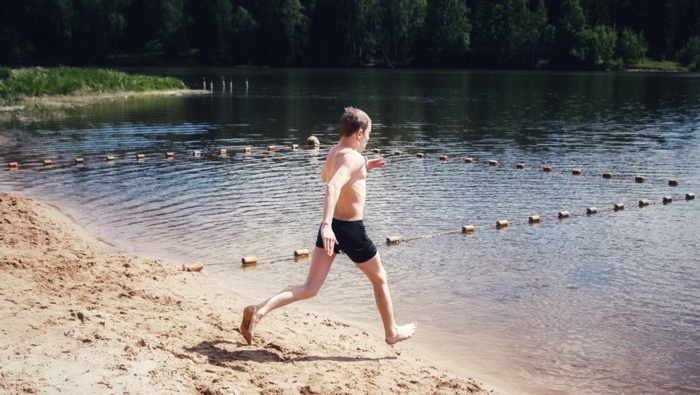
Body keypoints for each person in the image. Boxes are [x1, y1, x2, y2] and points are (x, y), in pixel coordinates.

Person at [240, 107, 417, 346]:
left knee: (309, 287)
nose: (368, 140)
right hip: (349, 230)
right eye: (368, 135)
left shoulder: (335, 152)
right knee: (380, 279)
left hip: (334, 226)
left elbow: (329, 174)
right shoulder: (353, 158)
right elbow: (332, 186)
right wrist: (326, 226)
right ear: (359, 133)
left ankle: (259, 310)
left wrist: (364, 166)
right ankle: (391, 332)